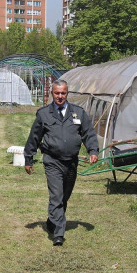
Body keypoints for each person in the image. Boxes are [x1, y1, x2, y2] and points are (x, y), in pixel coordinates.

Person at [24, 80, 98, 246]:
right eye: (57, 93)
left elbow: (88, 133)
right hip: (52, 161)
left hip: (71, 162)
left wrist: (93, 151)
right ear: (52, 93)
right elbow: (34, 137)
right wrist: (28, 158)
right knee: (56, 196)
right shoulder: (44, 114)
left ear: (67, 94)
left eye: (63, 93)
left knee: (64, 196)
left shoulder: (78, 113)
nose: (60, 96)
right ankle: (59, 233)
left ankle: (52, 221)